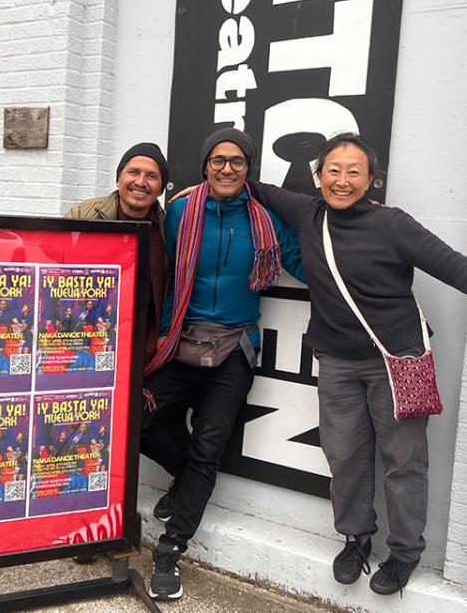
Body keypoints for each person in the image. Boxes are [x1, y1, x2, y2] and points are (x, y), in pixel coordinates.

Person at [245, 132, 467, 596]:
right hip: (338, 363)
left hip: (397, 360)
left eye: (354, 172)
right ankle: (356, 537)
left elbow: (455, 268)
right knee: (344, 457)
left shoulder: (393, 225)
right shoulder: (309, 214)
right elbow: (254, 187)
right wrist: (200, 186)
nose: (342, 181)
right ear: (318, 175)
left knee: (404, 462)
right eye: (333, 170)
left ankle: (405, 552)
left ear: (371, 179)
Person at [140, 127, 305, 601]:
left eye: (236, 161)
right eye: (218, 160)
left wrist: (360, 232)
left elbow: (309, 261)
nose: (227, 168)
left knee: (209, 446)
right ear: (205, 165)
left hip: (235, 348)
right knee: (137, 419)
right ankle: (186, 480)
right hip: (177, 340)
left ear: (249, 168)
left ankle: (171, 549)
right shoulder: (177, 211)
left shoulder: (267, 221)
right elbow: (139, 245)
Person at [65, 142, 169, 363]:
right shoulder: (83, 214)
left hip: (145, 348)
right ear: (118, 178)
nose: (141, 182)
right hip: (88, 339)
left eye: (152, 176)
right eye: (133, 172)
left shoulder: (167, 227)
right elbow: (55, 265)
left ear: (161, 189)